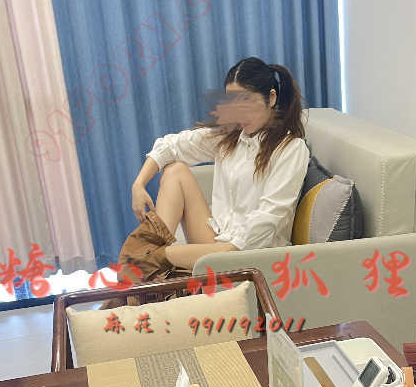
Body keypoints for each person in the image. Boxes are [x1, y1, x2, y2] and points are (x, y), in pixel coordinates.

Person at [129, 57, 309, 273]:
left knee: (149, 260)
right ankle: (152, 262)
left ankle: (151, 267)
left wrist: (221, 256)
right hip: (219, 240)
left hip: (251, 253)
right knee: (175, 171)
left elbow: (268, 219)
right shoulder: (231, 137)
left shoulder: (291, 148)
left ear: (271, 97)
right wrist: (139, 184)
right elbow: (172, 146)